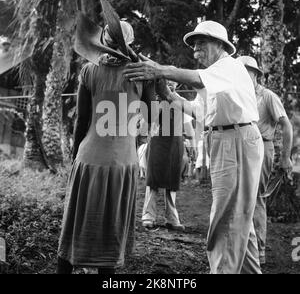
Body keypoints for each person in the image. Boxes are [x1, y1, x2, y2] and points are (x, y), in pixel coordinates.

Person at [124, 20, 264, 274]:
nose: (195, 47)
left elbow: (192, 76)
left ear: (220, 44)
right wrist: (167, 93)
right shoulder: (216, 77)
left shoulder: (228, 66)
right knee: (240, 218)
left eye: (202, 41)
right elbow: (199, 112)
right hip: (227, 139)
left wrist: (159, 69)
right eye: (193, 43)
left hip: (237, 140)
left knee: (226, 221)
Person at [57, 21, 154, 274]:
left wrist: (75, 155)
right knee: (112, 225)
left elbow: (82, 120)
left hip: (90, 157)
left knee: (77, 221)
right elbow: (151, 116)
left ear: (104, 41)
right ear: (130, 42)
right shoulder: (141, 73)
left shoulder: (89, 71)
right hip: (123, 160)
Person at [238, 56, 293, 265]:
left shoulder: (267, 96)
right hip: (241, 148)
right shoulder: (239, 95)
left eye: (248, 72)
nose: (243, 75)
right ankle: (244, 248)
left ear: (256, 75)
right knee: (241, 198)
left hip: (262, 146)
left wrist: (285, 157)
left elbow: (286, 125)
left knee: (257, 198)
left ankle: (259, 251)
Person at [142, 81, 196, 232]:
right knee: (153, 179)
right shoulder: (155, 102)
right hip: (158, 142)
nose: (170, 87)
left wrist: (192, 145)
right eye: (166, 84)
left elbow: (188, 126)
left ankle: (172, 218)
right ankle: (148, 216)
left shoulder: (181, 101)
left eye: (172, 84)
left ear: (175, 86)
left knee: (172, 181)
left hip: (175, 144)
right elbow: (148, 122)